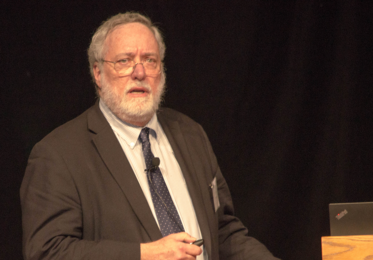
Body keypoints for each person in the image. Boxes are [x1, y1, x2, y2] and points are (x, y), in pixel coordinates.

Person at [20, 12, 280, 260]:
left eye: (150, 60)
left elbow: (223, 232)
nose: (140, 72)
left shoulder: (190, 134)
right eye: (124, 61)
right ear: (97, 73)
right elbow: (48, 251)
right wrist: (145, 254)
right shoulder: (58, 154)